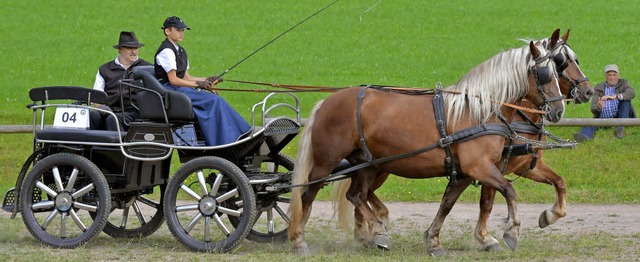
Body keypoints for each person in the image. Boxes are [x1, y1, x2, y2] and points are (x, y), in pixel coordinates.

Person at [154, 16, 251, 146]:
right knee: (214, 101)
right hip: (169, 90)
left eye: (183, 30)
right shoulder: (166, 51)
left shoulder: (181, 51)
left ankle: (236, 134)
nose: (182, 33)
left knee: (215, 99)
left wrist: (207, 79)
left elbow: (186, 77)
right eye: (178, 30)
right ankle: (227, 139)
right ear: (167, 31)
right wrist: (198, 84)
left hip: (179, 87)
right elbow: (173, 80)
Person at [91, 31, 152, 130]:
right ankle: (89, 144)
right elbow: (96, 97)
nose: (134, 52)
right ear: (120, 49)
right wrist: (101, 107)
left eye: (136, 48)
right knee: (93, 116)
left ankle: (115, 145)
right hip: (110, 110)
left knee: (113, 119)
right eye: (129, 48)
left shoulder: (147, 68)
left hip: (135, 113)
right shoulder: (105, 69)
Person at [574, 64, 636, 141]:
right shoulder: (598, 87)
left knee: (625, 101)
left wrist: (615, 96)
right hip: (603, 118)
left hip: (619, 116)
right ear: (606, 76)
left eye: (614, 75)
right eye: (609, 75)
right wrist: (598, 106)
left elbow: (631, 93)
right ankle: (584, 137)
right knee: (590, 123)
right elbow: (593, 109)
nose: (612, 77)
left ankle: (620, 129)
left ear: (618, 76)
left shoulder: (623, 83)